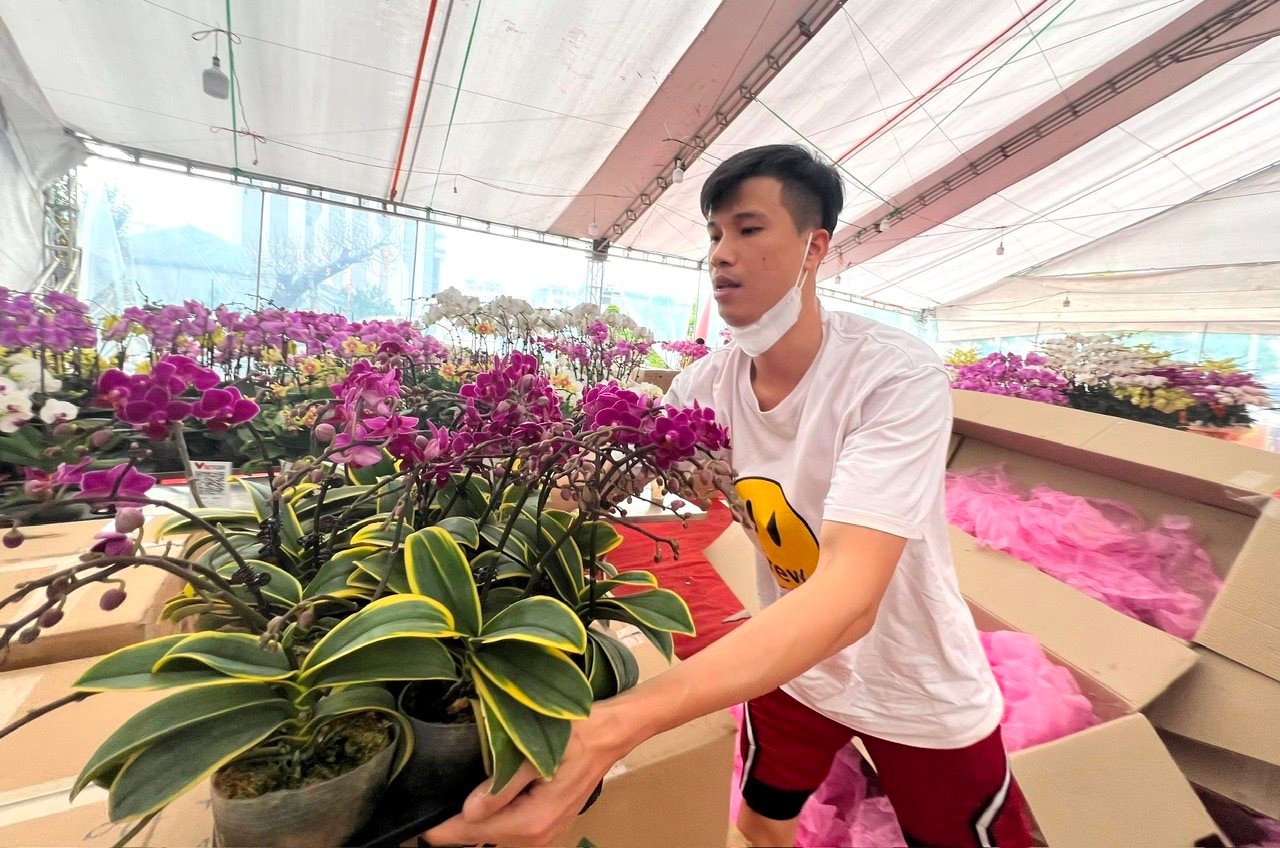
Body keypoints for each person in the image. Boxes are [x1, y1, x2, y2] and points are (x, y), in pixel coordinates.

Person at [425, 144, 1033, 847]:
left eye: (748, 229)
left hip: (914, 682)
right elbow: (594, 487)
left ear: (815, 246)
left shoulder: (892, 377)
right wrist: (531, 476)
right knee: (759, 821)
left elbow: (850, 597)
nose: (720, 254)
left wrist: (616, 727)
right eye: (714, 235)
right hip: (789, 666)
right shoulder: (704, 387)